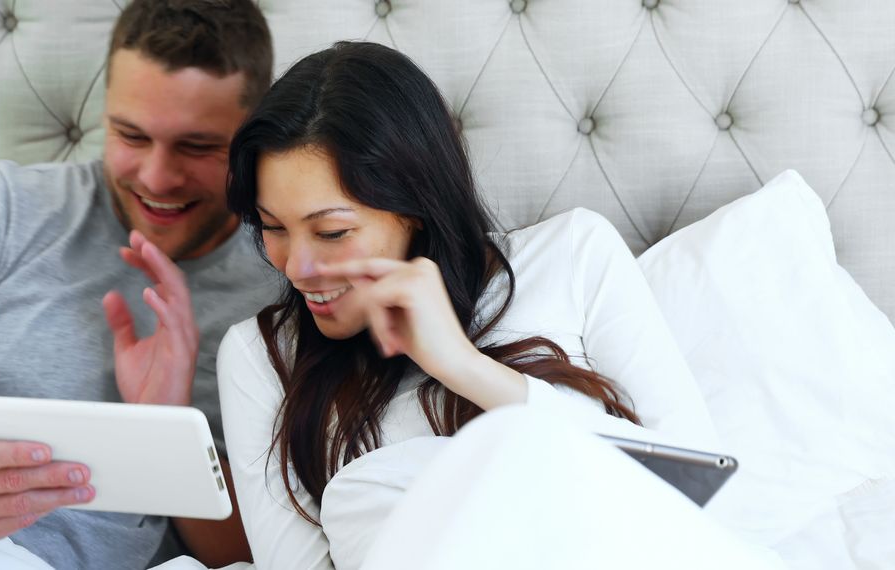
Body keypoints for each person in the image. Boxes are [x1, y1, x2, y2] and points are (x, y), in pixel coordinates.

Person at [213, 41, 723, 568]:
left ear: (413, 206)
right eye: (272, 228)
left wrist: (463, 366)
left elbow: (698, 487)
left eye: (332, 232)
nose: (296, 266)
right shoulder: (259, 355)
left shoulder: (573, 256)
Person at [0, 1, 278, 568]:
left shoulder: (291, 289)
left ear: (255, 135)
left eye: (198, 147)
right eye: (130, 136)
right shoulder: (3, 210)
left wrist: (168, 430)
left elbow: (280, 544)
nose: (157, 178)